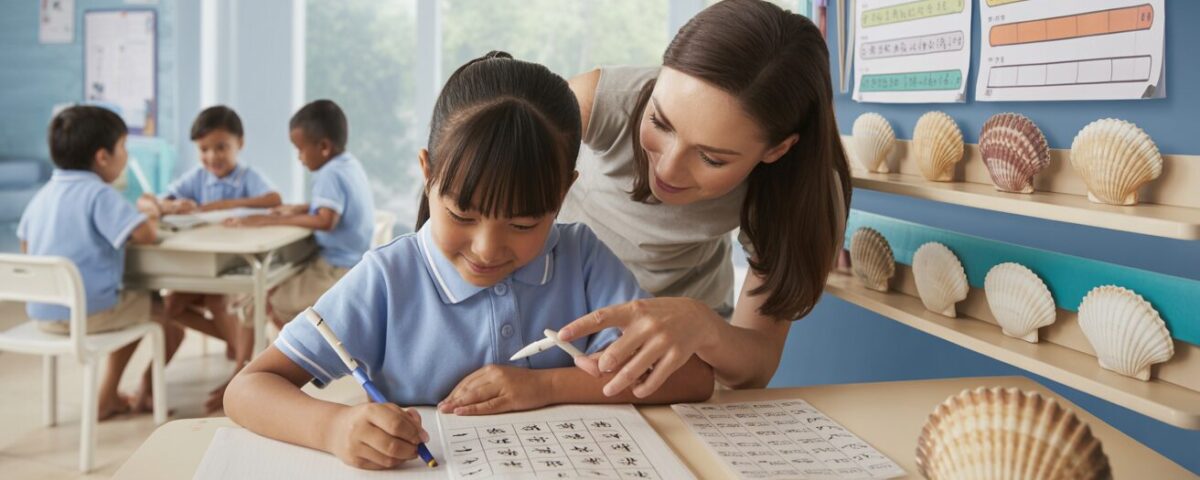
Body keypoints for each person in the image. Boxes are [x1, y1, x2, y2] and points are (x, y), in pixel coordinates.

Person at [224, 52, 714, 470]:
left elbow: (692, 378)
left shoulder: (582, 258)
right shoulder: (390, 278)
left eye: (523, 225)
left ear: (564, 191)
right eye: (461, 214)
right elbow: (247, 389)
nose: (486, 249)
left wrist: (543, 387)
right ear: (427, 173)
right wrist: (333, 426)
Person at [556, 0, 851, 397]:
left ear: (777, 150)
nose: (668, 170)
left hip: (677, 368)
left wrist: (705, 327)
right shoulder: (600, 100)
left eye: (711, 157)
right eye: (659, 121)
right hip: (554, 325)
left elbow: (754, 369)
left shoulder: (800, 193)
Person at [18, 105, 184, 419]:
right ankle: (121, 393)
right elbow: (146, 234)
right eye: (123, 147)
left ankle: (110, 394)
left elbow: (27, 246)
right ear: (102, 157)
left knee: (139, 304)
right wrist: (151, 212)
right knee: (169, 318)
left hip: (44, 314)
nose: (126, 155)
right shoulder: (98, 194)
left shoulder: (42, 195)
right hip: (88, 314)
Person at [138, 105, 280, 411]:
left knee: (223, 302)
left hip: (233, 267)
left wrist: (223, 205)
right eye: (204, 149)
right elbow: (155, 201)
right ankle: (147, 384)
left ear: (239, 144)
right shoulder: (197, 177)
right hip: (197, 264)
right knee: (171, 306)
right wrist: (171, 207)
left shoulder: (246, 177)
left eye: (221, 147)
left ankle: (242, 372)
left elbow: (273, 200)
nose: (212, 156)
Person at [225, 100, 375, 330]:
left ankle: (292, 355)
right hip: (353, 263)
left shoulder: (329, 173)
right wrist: (302, 208)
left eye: (300, 150)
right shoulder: (348, 164)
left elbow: (326, 220)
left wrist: (270, 219)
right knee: (273, 287)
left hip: (334, 269)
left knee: (266, 298)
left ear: (323, 147)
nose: (299, 158)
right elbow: (334, 206)